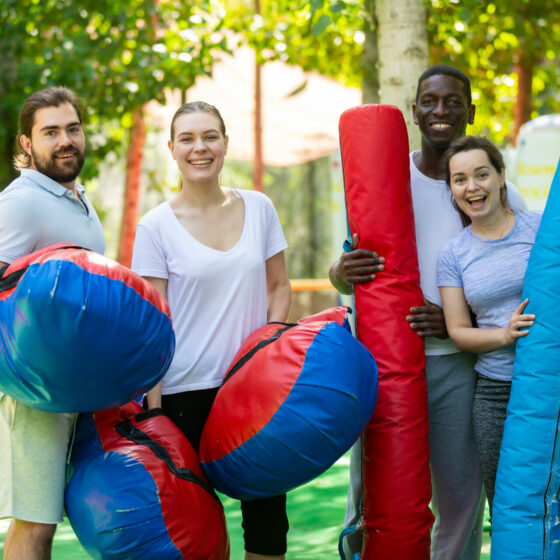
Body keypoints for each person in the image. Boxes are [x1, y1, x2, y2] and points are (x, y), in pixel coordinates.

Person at [330, 65, 526, 560]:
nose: (441, 112)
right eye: (430, 102)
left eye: (453, 101)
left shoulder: (490, 188)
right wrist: (341, 270)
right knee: (375, 490)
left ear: (470, 111)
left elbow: (517, 276)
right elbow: (343, 272)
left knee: (460, 493)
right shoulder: (383, 179)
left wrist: (460, 321)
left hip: (456, 362)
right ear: (414, 111)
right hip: (382, 363)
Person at [131, 101, 292, 560]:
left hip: (251, 391)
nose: (199, 148)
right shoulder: (156, 226)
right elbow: (153, 323)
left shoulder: (259, 207)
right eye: (187, 138)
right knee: (199, 533)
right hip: (183, 396)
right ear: (172, 149)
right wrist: (155, 410)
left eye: (210, 137)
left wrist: (268, 356)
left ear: (225, 144)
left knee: (267, 527)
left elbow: (279, 286)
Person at [0, 87, 106, 560]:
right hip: (35, 392)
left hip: (79, 388)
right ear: (27, 144)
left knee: (54, 522)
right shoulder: (21, 202)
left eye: (73, 129)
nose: (65, 140)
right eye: (50, 132)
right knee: (35, 524)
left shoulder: (78, 197)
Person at [437, 135, 540, 523]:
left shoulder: (541, 229)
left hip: (548, 380)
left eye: (481, 174)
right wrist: (505, 335)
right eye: (460, 179)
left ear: (500, 177)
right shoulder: (453, 254)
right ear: (452, 189)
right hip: (495, 393)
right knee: (507, 504)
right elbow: (459, 331)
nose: (472, 187)